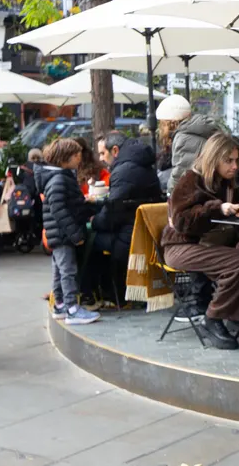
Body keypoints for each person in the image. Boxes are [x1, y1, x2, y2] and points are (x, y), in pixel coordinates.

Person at [162, 131, 239, 350]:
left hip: (214, 244)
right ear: (213, 158)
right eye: (229, 161)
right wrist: (215, 208)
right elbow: (181, 221)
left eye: (237, 160)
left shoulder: (228, 184)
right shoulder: (191, 180)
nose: (235, 166)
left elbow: (238, 217)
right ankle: (213, 317)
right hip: (182, 246)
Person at [35, 138, 99, 325]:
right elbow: (59, 209)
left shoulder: (58, 177)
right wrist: (75, 234)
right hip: (63, 234)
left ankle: (60, 305)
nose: (80, 157)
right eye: (76, 155)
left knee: (59, 269)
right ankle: (72, 308)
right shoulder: (59, 178)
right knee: (68, 270)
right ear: (65, 158)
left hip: (58, 233)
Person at [92, 131, 163, 287]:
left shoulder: (123, 171)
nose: (101, 159)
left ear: (115, 151)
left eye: (103, 153)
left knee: (88, 239)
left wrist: (94, 222)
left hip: (129, 238)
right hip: (145, 233)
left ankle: (94, 292)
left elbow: (112, 213)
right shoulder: (141, 164)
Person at [169, 96, 220, 190]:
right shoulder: (206, 132)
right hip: (209, 187)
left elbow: (180, 172)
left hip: (191, 192)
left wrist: (170, 190)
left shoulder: (183, 137)